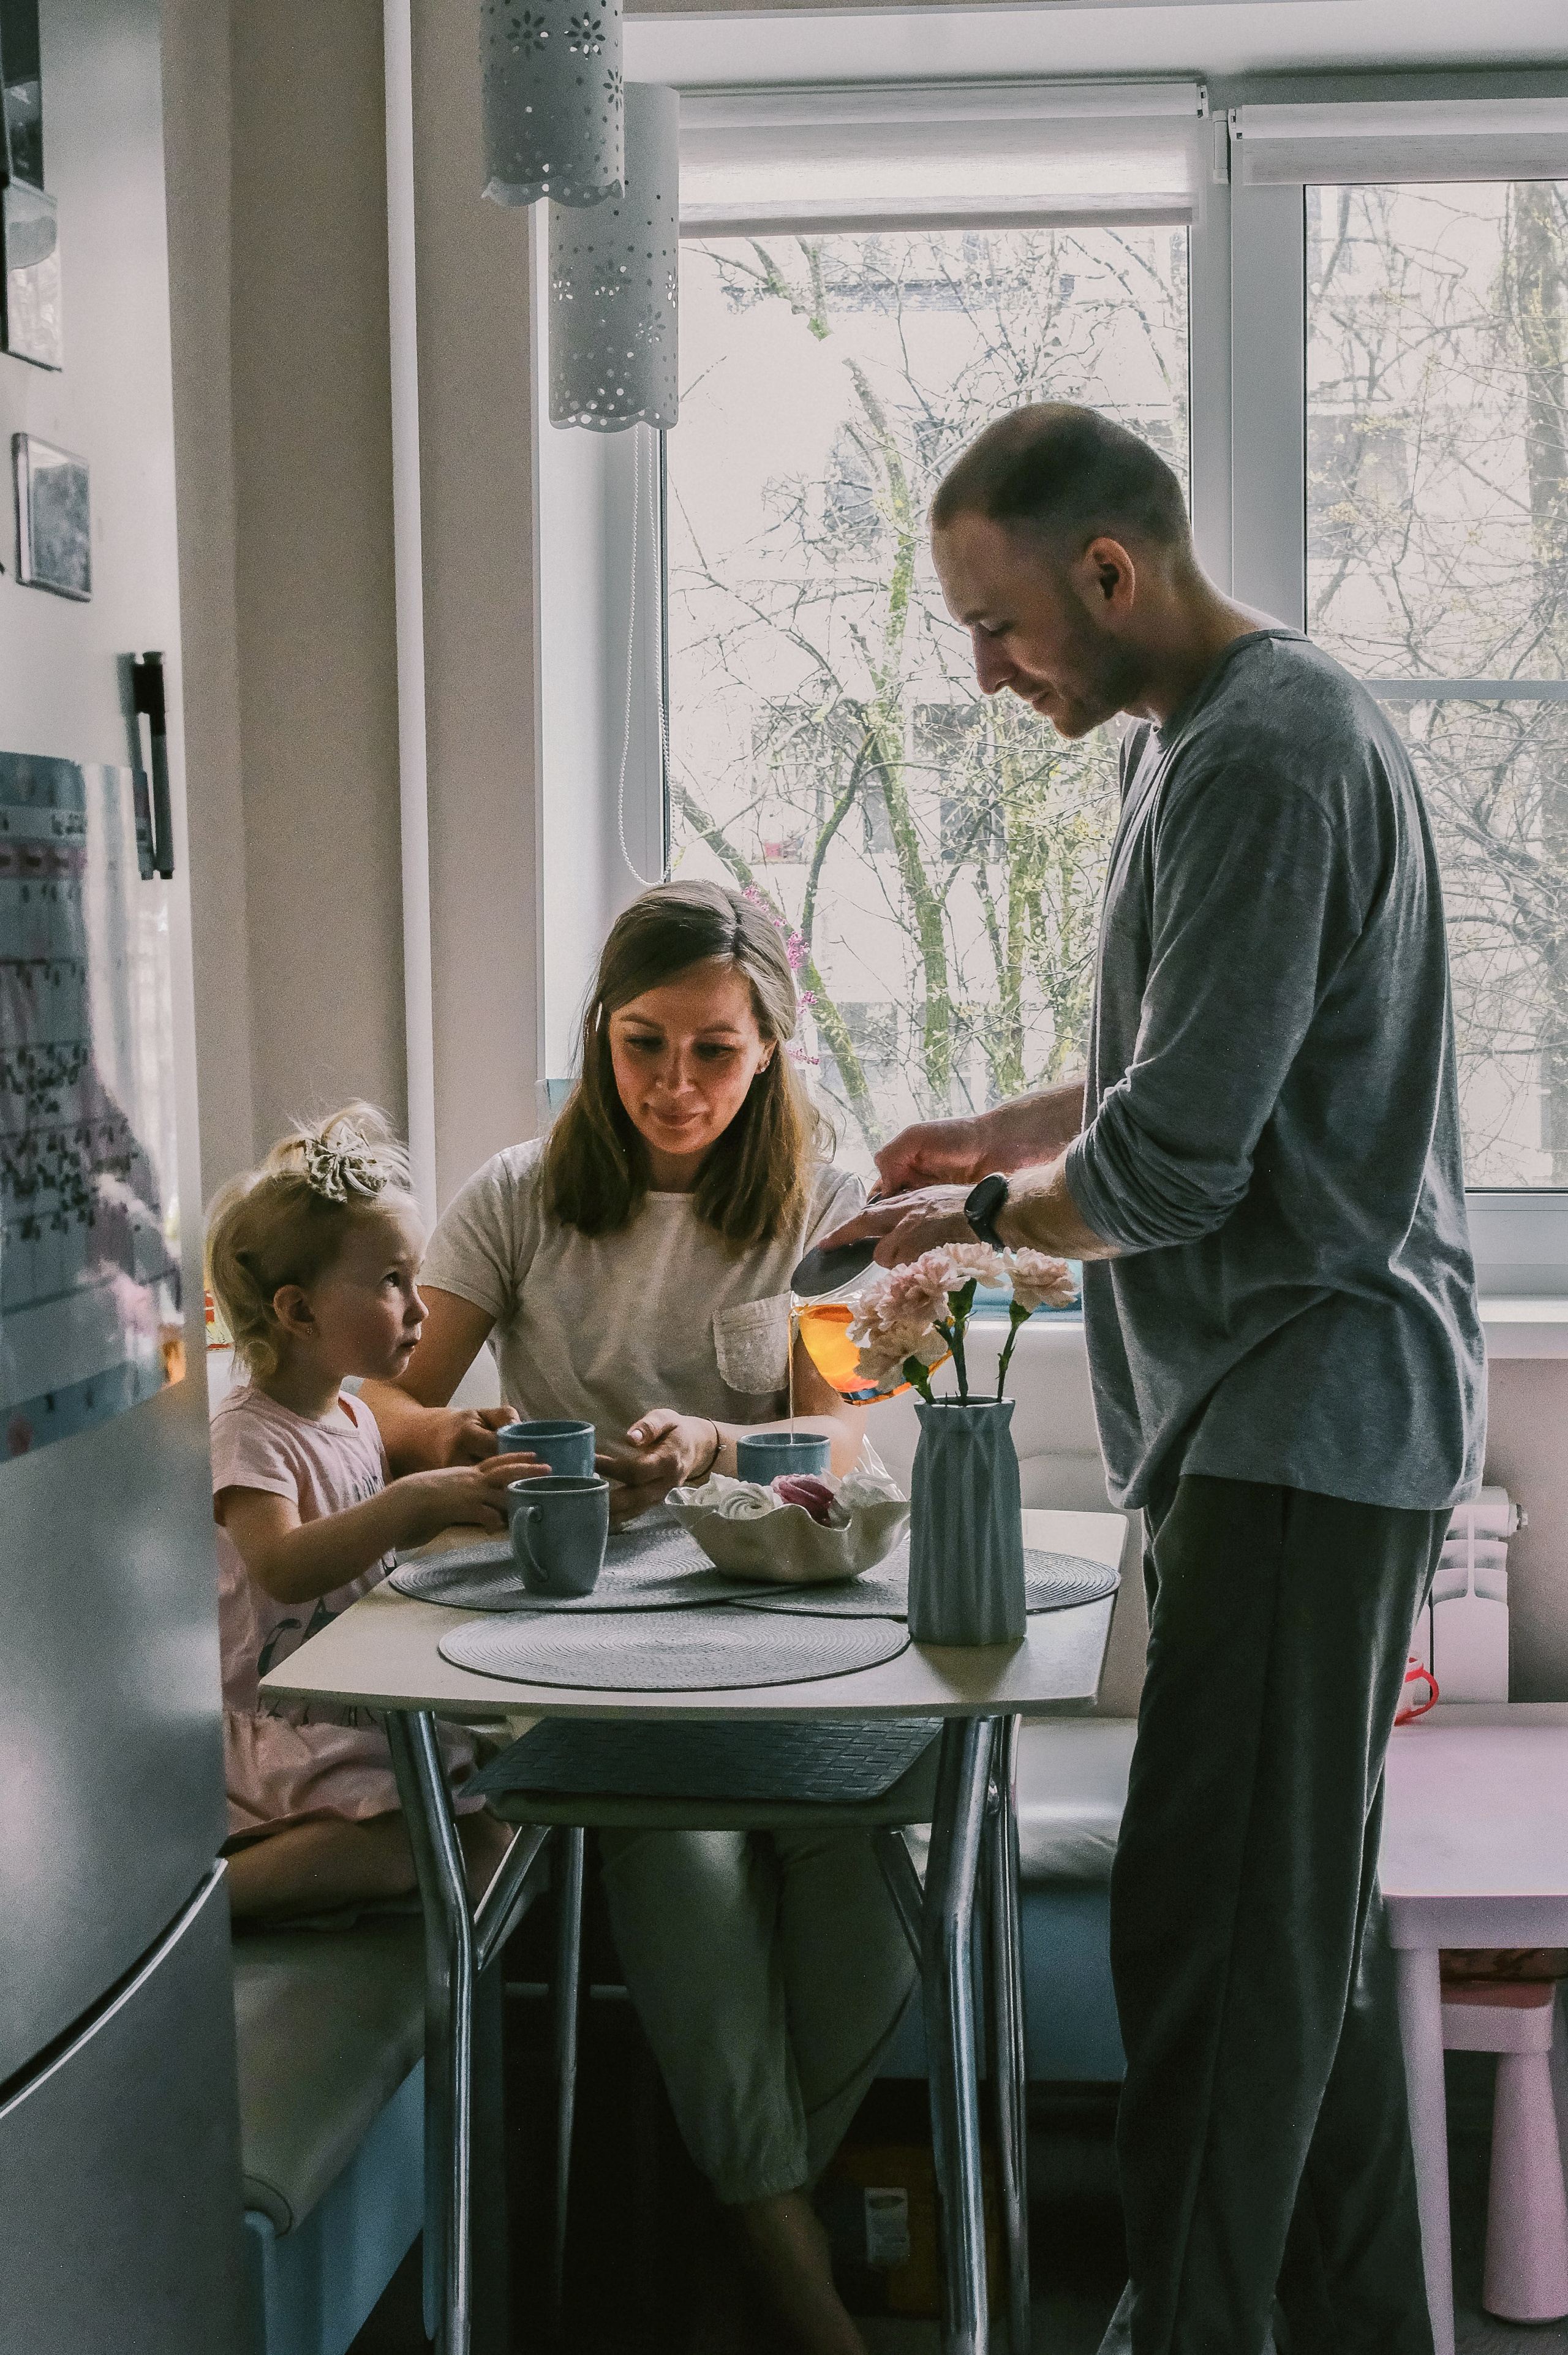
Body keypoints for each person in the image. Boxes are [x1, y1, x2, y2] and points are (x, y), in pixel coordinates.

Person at [827, 404, 1485, 2355]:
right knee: (1300, 1937)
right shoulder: (1206, 743)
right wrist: (979, 1140)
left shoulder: (1265, 760)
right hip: (1282, 1422)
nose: (985, 671)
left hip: (1306, 1414)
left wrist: (988, 1233)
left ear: (1110, 573)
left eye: (1000, 625)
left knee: (1211, 1941)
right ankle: (1363, 2320)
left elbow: (1174, 1164)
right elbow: (1174, 1075)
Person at [362, 881, 914, 2355]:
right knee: (678, 1845)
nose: (675, 1084)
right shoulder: (515, 1194)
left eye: (715, 1051)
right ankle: (791, 2288)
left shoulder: (822, 1200)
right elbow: (382, 1397)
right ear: (598, 1037)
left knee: (882, 1860)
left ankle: (743, 2229)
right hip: (573, 1636)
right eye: (641, 1042)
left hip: (777, 1626)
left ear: (772, 1049)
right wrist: (470, 1438)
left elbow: (845, 1442)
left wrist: (716, 1444)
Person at [206, 1105, 518, 1922]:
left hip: (351, 1712)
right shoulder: (249, 1434)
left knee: (494, 1839)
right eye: (391, 1282)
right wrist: (407, 1505)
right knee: (414, 1841)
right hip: (279, 1728)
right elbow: (283, 1564)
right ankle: (199, 1913)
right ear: (298, 1312)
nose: (420, 1308)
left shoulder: (351, 1417)